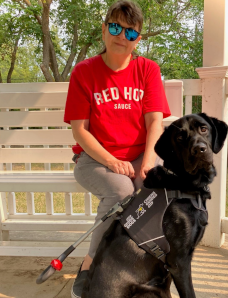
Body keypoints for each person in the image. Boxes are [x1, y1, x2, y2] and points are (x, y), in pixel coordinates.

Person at [63, 1, 171, 297]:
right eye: (115, 27)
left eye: (131, 32)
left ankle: (140, 266)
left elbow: (154, 123)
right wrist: (111, 160)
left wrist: (149, 160)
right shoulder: (84, 72)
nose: (122, 36)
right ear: (104, 29)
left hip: (139, 154)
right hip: (94, 157)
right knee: (121, 192)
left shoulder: (148, 69)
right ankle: (91, 266)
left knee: (152, 190)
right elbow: (80, 131)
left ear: (138, 39)